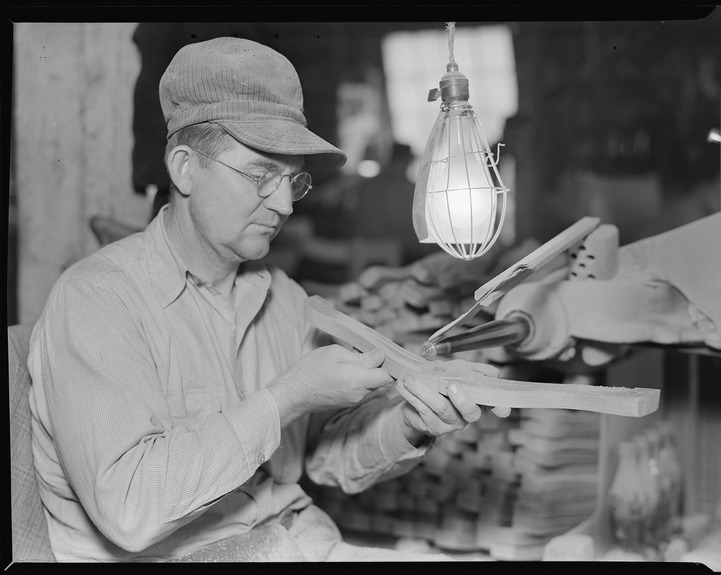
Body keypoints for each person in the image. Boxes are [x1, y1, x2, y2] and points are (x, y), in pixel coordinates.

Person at [27, 36, 509, 562]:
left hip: (291, 544)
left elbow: (330, 458)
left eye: (292, 180)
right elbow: (130, 509)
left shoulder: (283, 299)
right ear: (185, 168)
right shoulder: (98, 300)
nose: (282, 204)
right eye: (260, 175)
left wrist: (413, 420)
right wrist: (286, 397)